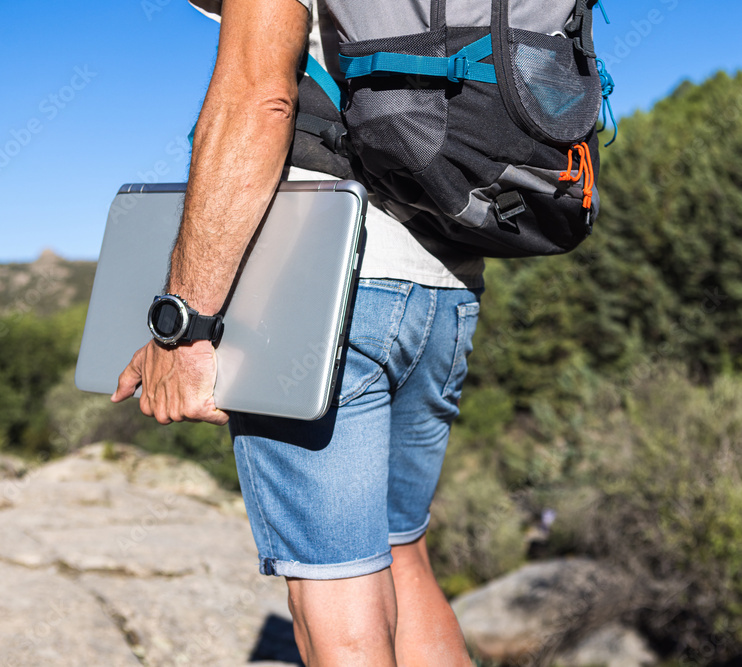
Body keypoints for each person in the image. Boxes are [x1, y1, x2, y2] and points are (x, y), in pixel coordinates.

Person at [111, 0, 484, 664]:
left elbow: (258, 101)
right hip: (445, 286)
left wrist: (185, 325)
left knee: (334, 598)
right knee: (403, 553)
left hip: (321, 284)